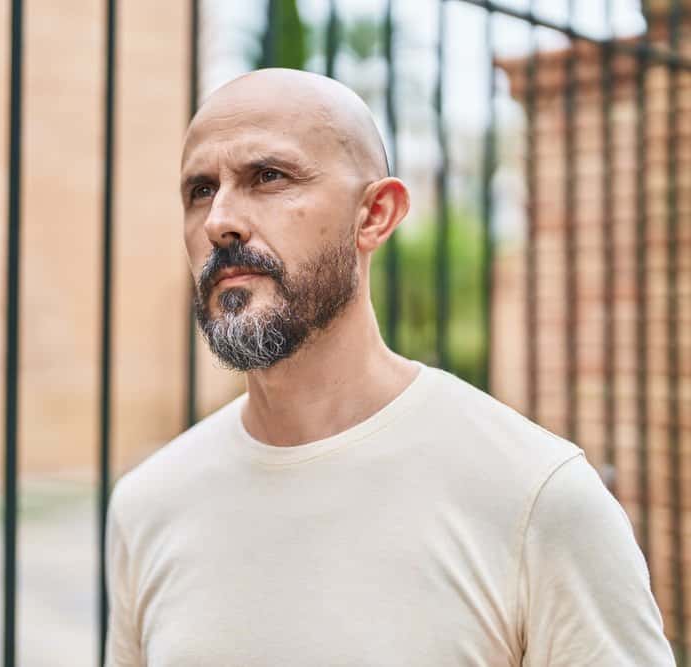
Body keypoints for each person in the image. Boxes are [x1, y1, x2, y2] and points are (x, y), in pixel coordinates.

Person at [104, 68, 674, 666]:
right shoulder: (148, 503)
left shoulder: (538, 496)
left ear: (375, 214)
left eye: (268, 176)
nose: (220, 219)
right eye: (200, 189)